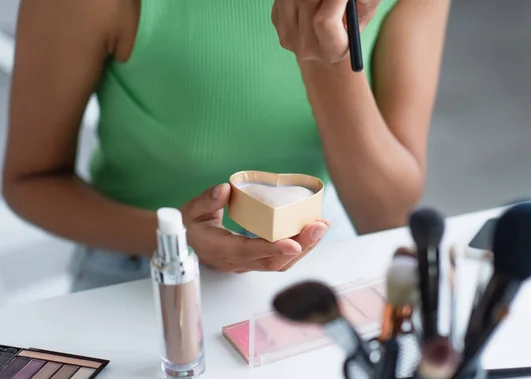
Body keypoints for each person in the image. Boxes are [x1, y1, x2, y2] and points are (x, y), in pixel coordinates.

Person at [2, 0, 450, 291]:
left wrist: (324, 57)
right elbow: (31, 181)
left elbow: (383, 216)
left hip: (317, 243)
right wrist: (180, 239)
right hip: (140, 264)